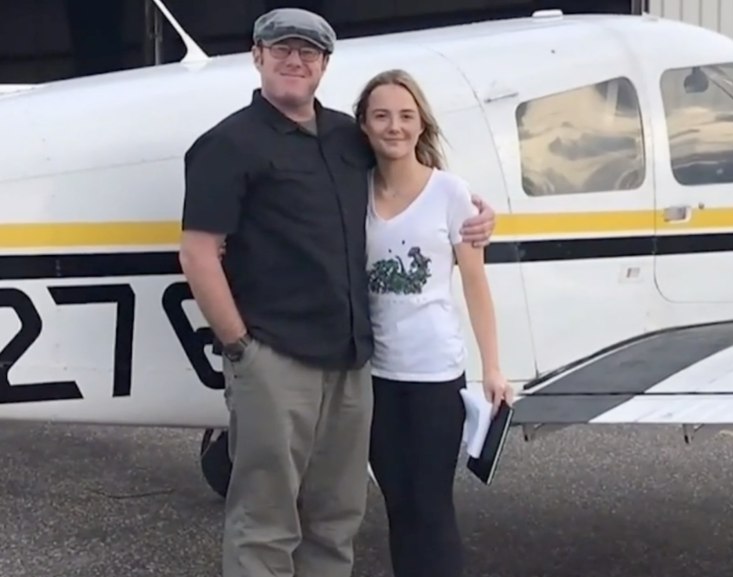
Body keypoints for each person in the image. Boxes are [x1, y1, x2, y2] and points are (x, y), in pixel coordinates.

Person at [177, 8, 496, 577]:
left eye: (308, 52)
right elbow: (199, 253)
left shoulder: (349, 138)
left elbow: (411, 178)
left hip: (351, 363)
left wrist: (474, 213)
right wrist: (241, 349)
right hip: (275, 359)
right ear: (257, 56)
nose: (295, 61)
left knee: (336, 518)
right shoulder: (227, 144)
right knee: (266, 522)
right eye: (282, 49)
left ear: (324, 65)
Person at [354, 68, 513, 577]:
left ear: (421, 125)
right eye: (381, 116)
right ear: (363, 127)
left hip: (434, 377)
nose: (394, 126)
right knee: (399, 509)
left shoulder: (450, 193)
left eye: (405, 116)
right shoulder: (352, 194)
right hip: (377, 377)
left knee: (431, 507)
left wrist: (493, 367)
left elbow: (474, 282)